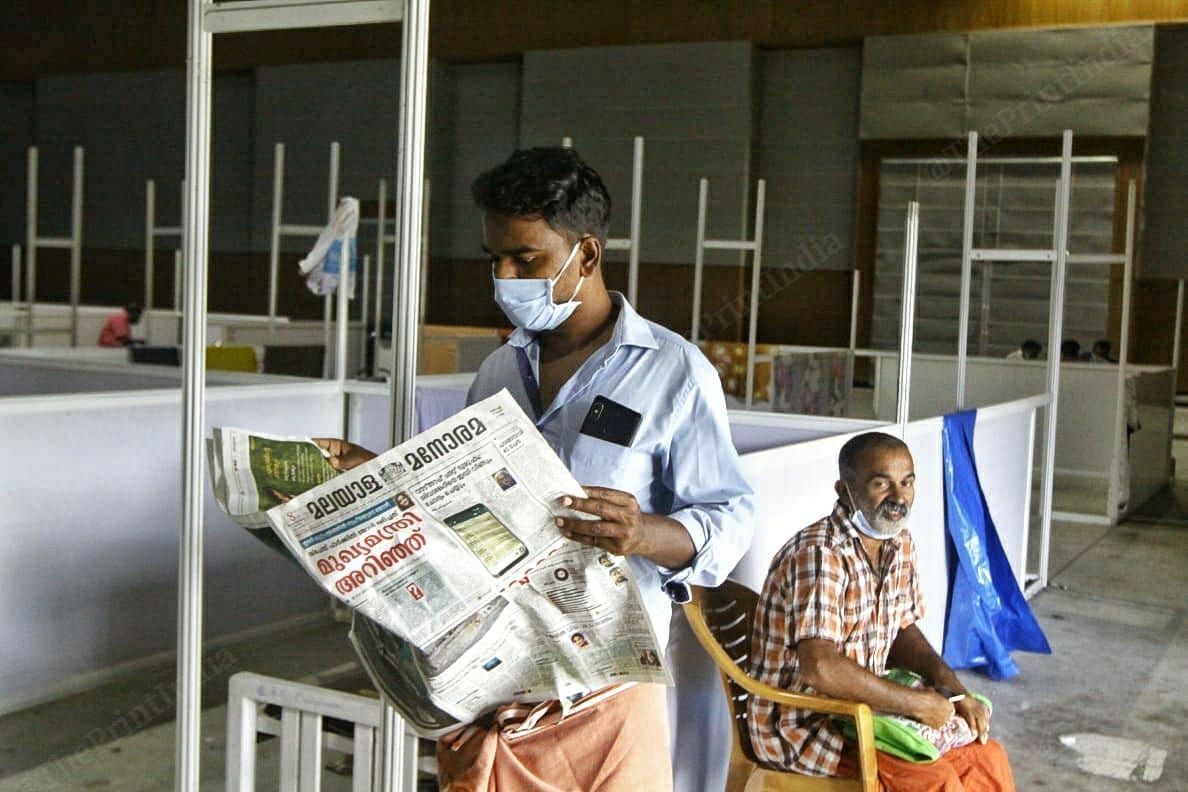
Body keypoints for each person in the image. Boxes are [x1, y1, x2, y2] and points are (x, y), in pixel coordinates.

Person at [315, 147, 754, 790]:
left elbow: (730, 516)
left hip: (604, 690)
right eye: (495, 259)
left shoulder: (672, 371)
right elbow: (465, 503)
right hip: (494, 684)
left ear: (587, 255)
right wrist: (381, 476)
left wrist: (643, 534)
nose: (505, 276)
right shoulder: (499, 372)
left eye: (526, 259)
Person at [748, 432, 1015, 790]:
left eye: (907, 482)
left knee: (986, 757)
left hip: (866, 711)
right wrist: (915, 704)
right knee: (934, 782)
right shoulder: (821, 554)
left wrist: (953, 691)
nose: (899, 497)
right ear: (845, 491)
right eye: (881, 483)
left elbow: (902, 629)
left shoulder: (898, 542)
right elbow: (820, 666)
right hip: (806, 724)